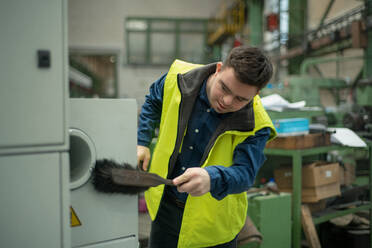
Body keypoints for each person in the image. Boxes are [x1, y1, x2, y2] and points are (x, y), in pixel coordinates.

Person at [137, 45, 277, 248]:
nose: (227, 101)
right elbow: (152, 102)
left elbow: (246, 174)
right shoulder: (178, 78)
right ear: (218, 69)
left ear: (256, 94)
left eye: (240, 99)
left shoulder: (257, 123)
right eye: (225, 88)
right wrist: (142, 142)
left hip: (214, 226)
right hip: (165, 209)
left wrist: (212, 178)